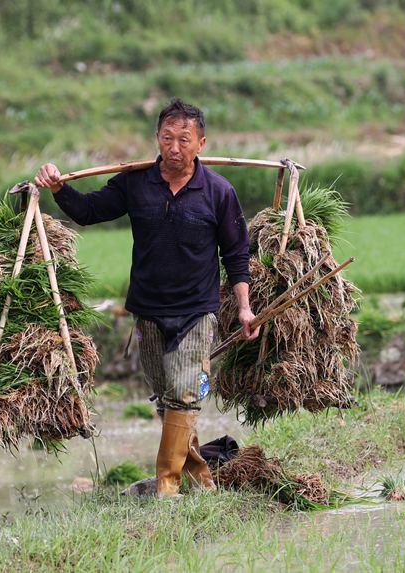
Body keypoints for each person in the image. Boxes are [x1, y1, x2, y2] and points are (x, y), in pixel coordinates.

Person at [34, 99, 259, 497]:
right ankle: (201, 480)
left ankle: (166, 491)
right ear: (157, 138)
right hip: (148, 311)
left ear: (201, 143)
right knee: (167, 399)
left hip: (196, 311)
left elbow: (237, 256)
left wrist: (243, 307)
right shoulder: (135, 183)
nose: (174, 147)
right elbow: (88, 211)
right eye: (167, 138)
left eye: (184, 140)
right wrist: (59, 189)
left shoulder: (219, 192)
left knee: (186, 395)